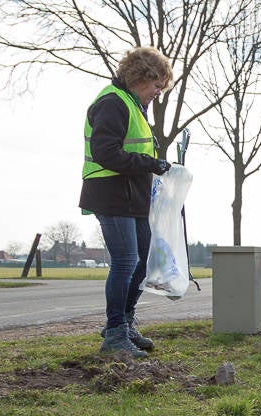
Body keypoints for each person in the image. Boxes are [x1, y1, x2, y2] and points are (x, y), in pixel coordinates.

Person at [79, 46, 174, 358]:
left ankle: (125, 323)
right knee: (126, 261)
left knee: (143, 259)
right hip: (111, 192)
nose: (158, 92)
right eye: (157, 85)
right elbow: (106, 152)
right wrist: (147, 163)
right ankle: (115, 331)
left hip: (132, 195)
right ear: (140, 77)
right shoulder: (112, 103)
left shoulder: (133, 105)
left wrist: (151, 162)